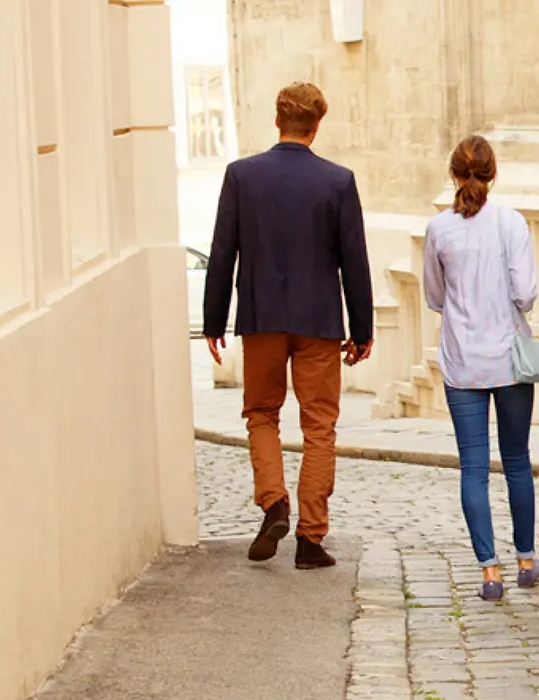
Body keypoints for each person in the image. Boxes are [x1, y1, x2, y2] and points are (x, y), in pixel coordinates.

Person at [203, 82, 375, 570]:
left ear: (277, 121)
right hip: (318, 321)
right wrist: (361, 328)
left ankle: (273, 501)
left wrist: (213, 319)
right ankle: (310, 537)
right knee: (319, 425)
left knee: (261, 413)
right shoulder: (338, 181)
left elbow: (222, 253)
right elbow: (354, 261)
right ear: (316, 126)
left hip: (260, 316)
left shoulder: (242, 176)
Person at [422, 135, 539, 601]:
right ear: (493, 175)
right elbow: (527, 292)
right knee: (516, 459)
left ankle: (489, 572)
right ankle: (525, 559)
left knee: (472, 467)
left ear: (453, 175)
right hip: (509, 358)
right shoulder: (510, 223)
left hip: (462, 360)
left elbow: (434, 296)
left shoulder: (439, 229)